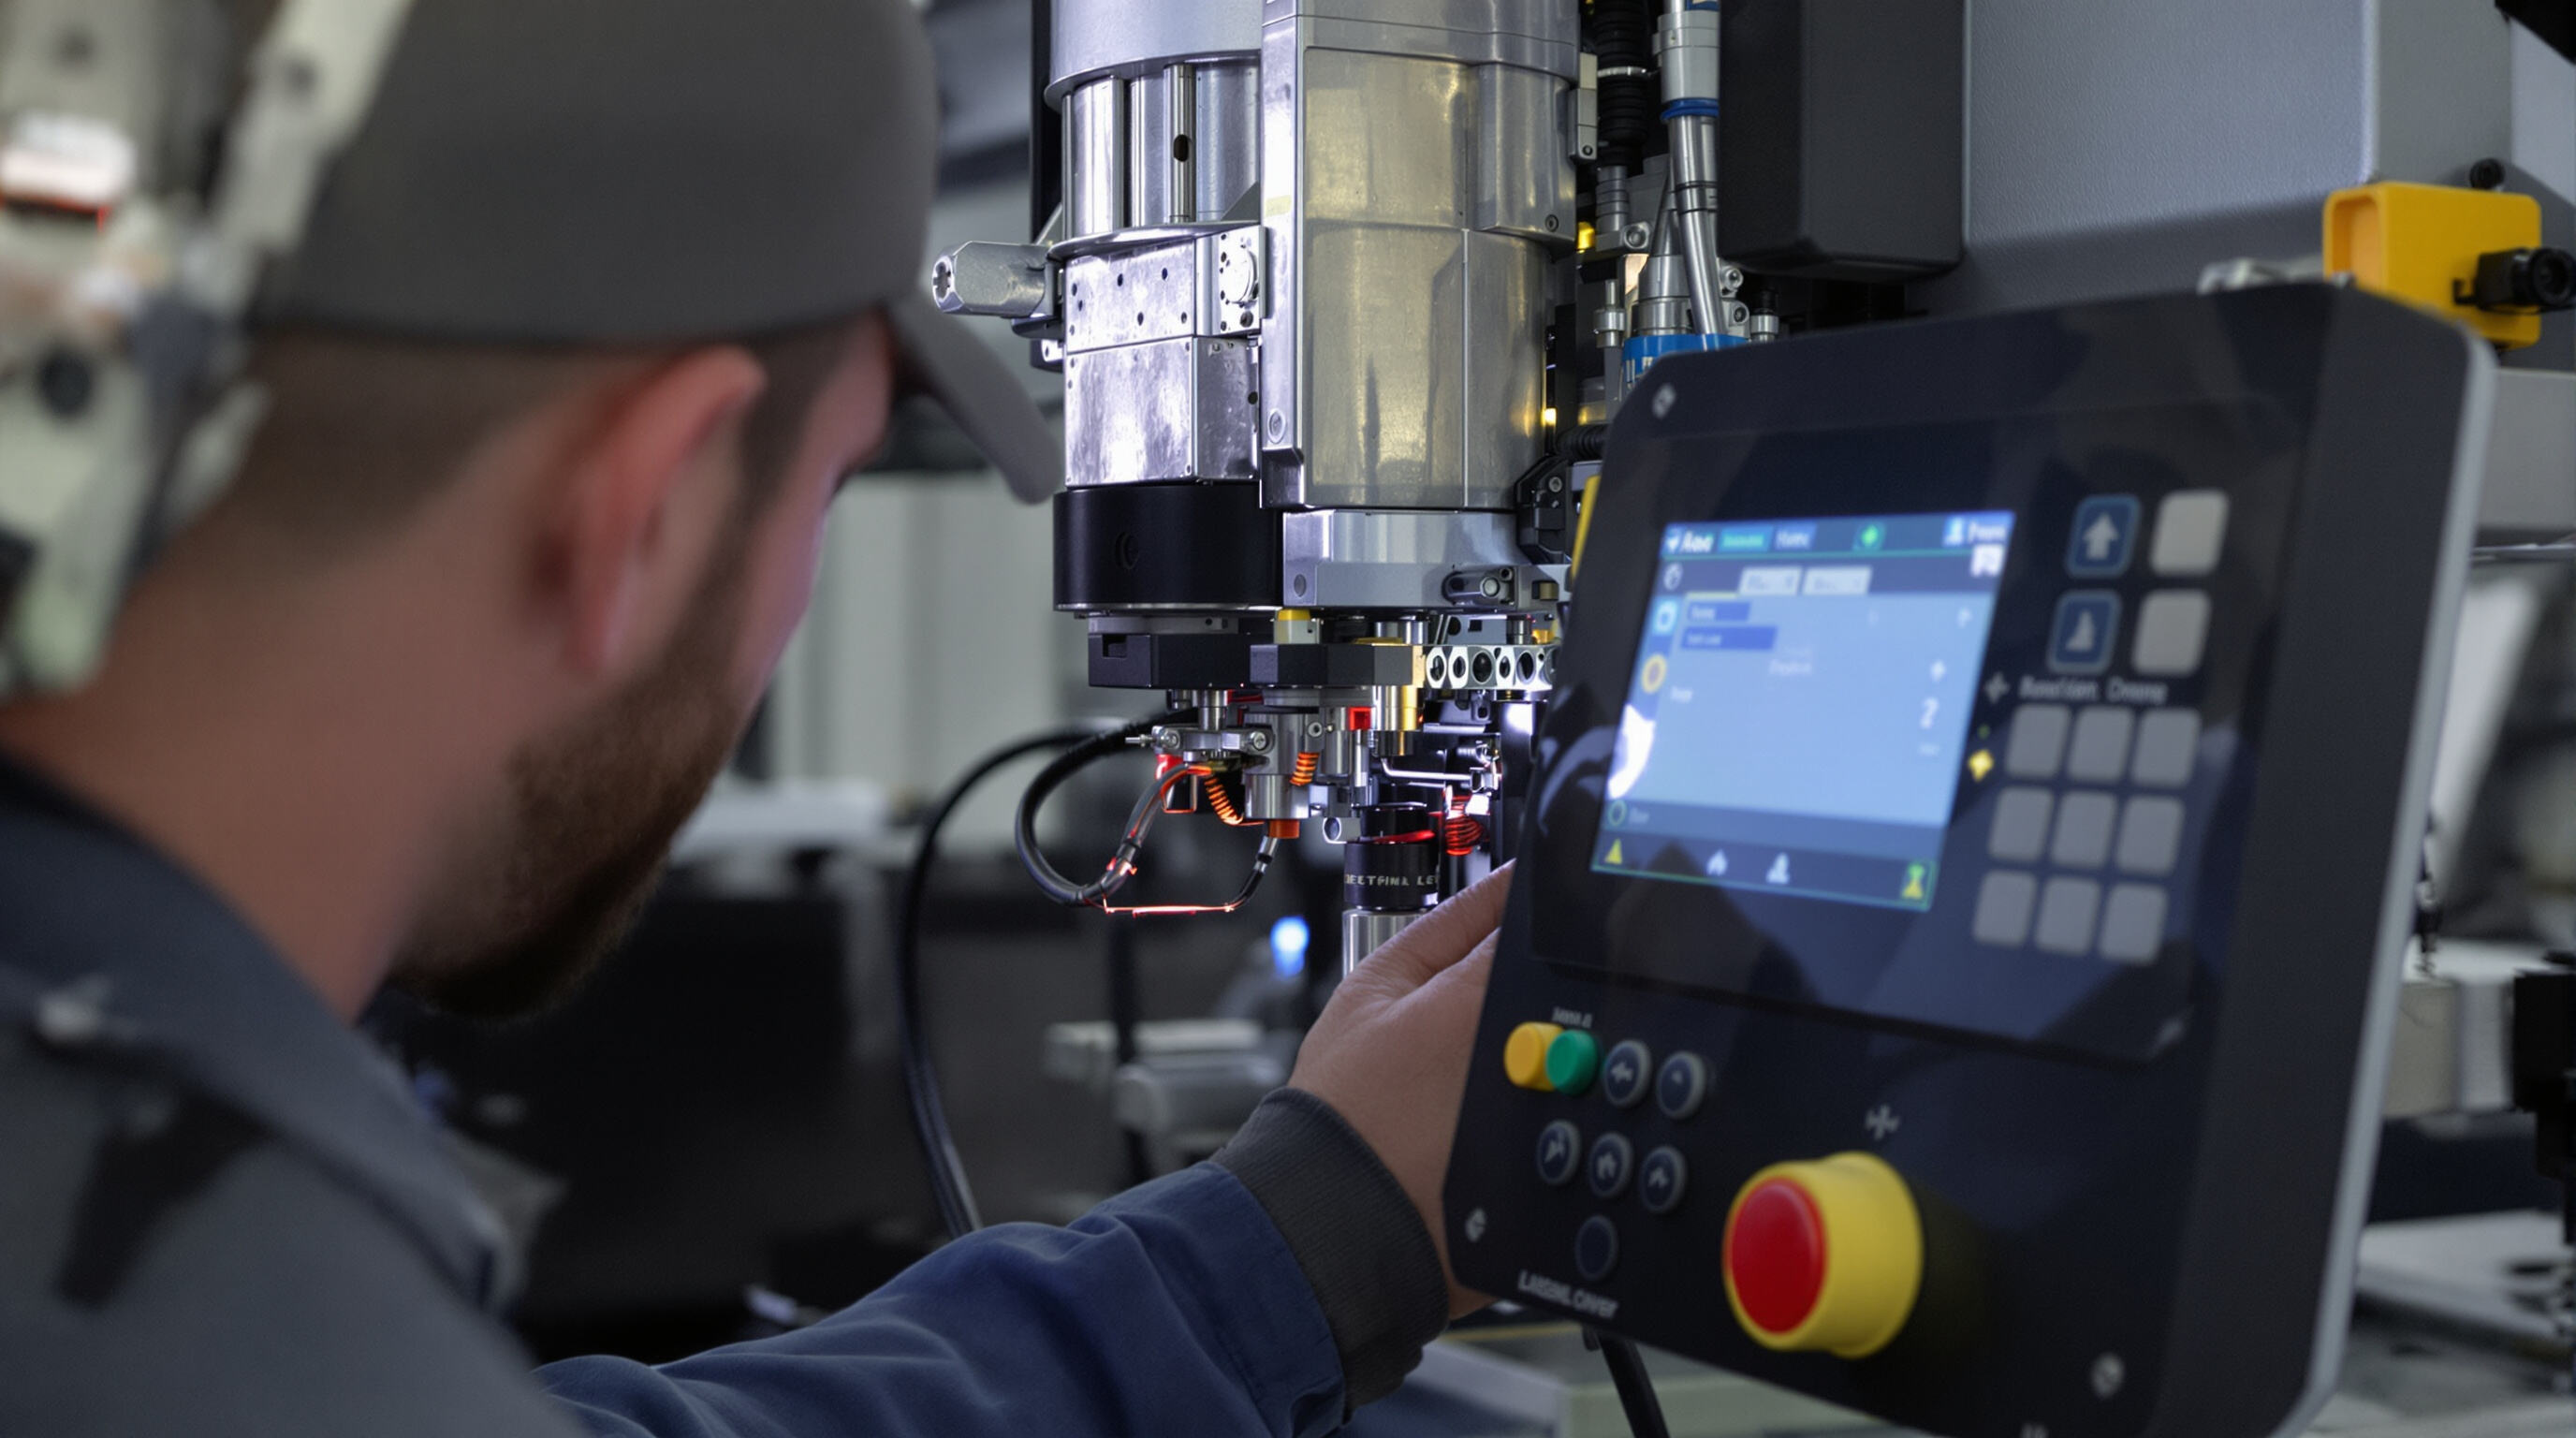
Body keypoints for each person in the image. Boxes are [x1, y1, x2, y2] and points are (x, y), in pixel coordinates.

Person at [0, 0, 1508, 1433]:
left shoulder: (156, 1253)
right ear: (639, 516)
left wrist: (1296, 1243)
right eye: (831, 484)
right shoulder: (168, 1284)